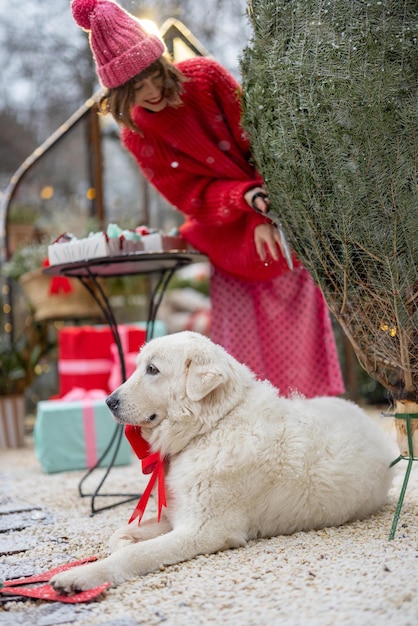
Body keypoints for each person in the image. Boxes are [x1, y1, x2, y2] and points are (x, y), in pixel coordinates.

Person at [71, 0, 345, 398]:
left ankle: (316, 437)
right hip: (226, 243)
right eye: (135, 87)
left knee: (303, 358)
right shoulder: (137, 136)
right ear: (119, 93)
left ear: (161, 62)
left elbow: (264, 143)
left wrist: (262, 215)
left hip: (281, 226)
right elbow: (190, 197)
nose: (150, 91)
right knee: (242, 368)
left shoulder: (206, 77)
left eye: (152, 76)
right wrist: (244, 198)